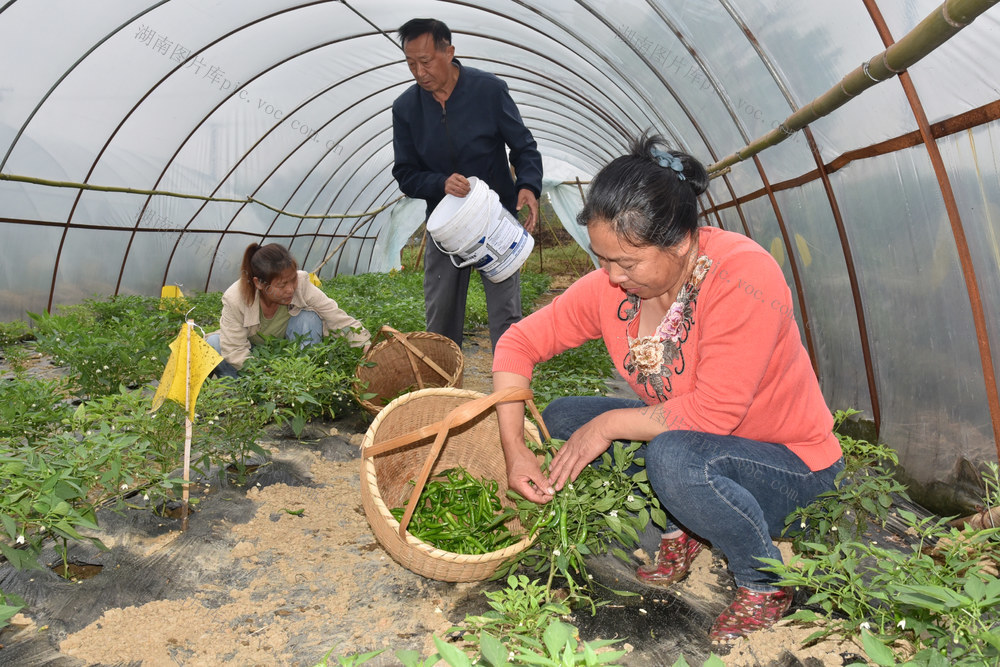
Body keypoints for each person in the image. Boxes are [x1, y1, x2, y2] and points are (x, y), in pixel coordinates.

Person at [491, 134, 844, 642]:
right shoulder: (613, 287)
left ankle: (764, 581)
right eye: (602, 258)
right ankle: (684, 524)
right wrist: (514, 449)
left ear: (679, 243)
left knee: (674, 457)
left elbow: (715, 413)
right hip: (704, 447)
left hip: (790, 469)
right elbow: (517, 343)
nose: (610, 277)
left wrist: (609, 425)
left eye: (627, 264)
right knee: (564, 416)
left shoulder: (742, 275)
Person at [391, 17, 544, 351]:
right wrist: (439, 183)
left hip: (495, 219)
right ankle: (445, 393)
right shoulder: (406, 109)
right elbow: (405, 173)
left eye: (426, 61)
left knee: (506, 316)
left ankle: (508, 394)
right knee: (440, 317)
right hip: (445, 227)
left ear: (449, 52)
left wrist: (529, 185)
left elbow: (523, 147)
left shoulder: (488, 91)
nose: (419, 72)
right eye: (411, 63)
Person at [206, 243, 370, 378]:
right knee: (214, 344)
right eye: (282, 285)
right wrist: (268, 374)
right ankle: (243, 394)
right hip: (253, 353)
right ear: (260, 284)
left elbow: (335, 316)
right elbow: (235, 350)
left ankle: (303, 377)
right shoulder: (236, 299)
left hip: (289, 350)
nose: (291, 289)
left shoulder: (302, 284)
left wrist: (366, 345)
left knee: (309, 319)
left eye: (293, 280)